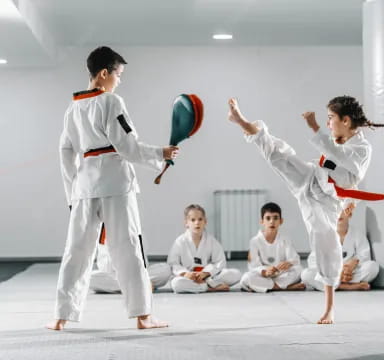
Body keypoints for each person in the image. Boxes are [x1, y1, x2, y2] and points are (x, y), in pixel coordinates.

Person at [227, 96, 384, 324]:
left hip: (325, 202)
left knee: (325, 240)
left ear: (346, 121)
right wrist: (323, 135)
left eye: (330, 118)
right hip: (310, 178)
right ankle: (242, 122)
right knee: (279, 157)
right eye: (326, 120)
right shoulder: (339, 139)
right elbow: (331, 156)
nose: (328, 123)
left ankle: (329, 308)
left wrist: (316, 128)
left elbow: (346, 164)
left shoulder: (362, 148)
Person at [47, 46, 178, 330]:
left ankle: (61, 316)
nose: (119, 80)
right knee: (128, 247)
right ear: (104, 73)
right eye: (118, 74)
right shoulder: (112, 102)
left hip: (84, 187)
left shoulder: (73, 108)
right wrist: (161, 154)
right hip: (116, 184)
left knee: (76, 250)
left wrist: (73, 192)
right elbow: (128, 148)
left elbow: (65, 151)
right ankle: (143, 316)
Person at [301, 202, 379, 291]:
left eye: (342, 210)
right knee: (306, 274)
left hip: (350, 274)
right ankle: (347, 286)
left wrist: (353, 264)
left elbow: (365, 256)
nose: (338, 214)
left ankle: (337, 285)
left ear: (349, 214)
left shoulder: (357, 234)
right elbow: (313, 261)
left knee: (373, 267)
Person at [167, 204, 241, 293]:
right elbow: (172, 263)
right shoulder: (180, 242)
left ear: (205, 221)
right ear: (186, 223)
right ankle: (209, 288)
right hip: (189, 278)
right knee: (176, 284)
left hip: (208, 277)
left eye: (200, 219)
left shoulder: (212, 241)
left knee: (236, 274)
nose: (197, 223)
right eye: (193, 220)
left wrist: (206, 273)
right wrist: (185, 273)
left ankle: (205, 285)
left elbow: (220, 263)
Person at [240, 202, 304, 292]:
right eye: (268, 218)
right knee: (246, 278)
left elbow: (295, 260)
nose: (272, 222)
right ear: (262, 221)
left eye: (275, 218)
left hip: (281, 274)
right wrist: (265, 271)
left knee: (299, 270)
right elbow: (253, 266)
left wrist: (288, 263)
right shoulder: (254, 241)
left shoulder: (285, 239)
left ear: (281, 221)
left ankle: (270, 286)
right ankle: (285, 287)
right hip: (264, 276)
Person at [90, 225, 172, 293]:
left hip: (135, 273)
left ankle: (128, 286)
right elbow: (105, 266)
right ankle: (139, 286)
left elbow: (143, 261)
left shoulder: (134, 227)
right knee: (90, 278)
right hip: (113, 275)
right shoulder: (101, 230)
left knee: (165, 269)